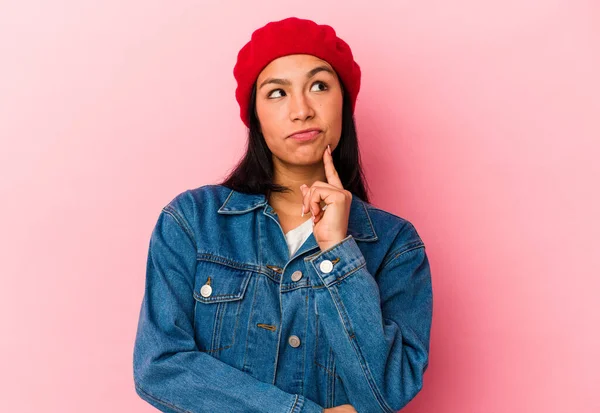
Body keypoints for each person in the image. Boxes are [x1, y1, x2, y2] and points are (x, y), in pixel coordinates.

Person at [133, 16, 433, 413]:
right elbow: (160, 367)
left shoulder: (396, 246)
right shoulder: (192, 222)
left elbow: (384, 392)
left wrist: (338, 251)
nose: (302, 110)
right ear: (255, 114)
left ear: (344, 101)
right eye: (276, 92)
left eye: (320, 86)